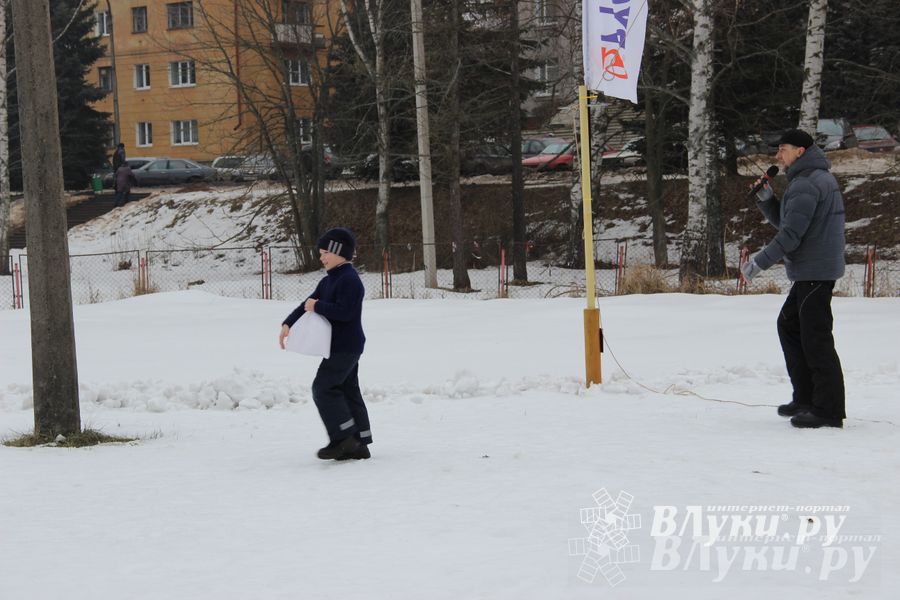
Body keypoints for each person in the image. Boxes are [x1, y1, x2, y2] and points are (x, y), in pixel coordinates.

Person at [741, 129, 846, 429]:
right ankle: (806, 398)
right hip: (811, 272)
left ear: (800, 151)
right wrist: (766, 200)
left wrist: (758, 263)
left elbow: (790, 236)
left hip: (815, 272)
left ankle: (828, 410)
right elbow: (791, 223)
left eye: (783, 149)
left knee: (816, 339)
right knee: (789, 326)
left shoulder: (807, 184)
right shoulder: (808, 180)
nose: (778, 155)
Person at [279, 228, 373, 459]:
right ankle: (359, 442)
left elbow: (346, 312)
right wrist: (288, 323)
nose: (321, 258)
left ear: (339, 252)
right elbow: (306, 304)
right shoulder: (328, 281)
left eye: (325, 253)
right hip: (340, 346)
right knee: (347, 390)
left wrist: (318, 306)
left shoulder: (350, 280)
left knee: (323, 388)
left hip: (345, 347)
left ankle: (344, 437)